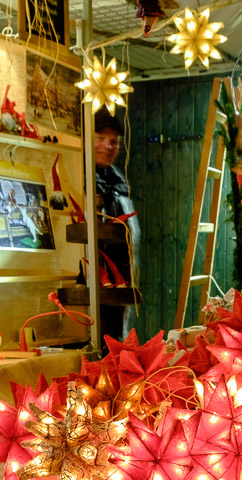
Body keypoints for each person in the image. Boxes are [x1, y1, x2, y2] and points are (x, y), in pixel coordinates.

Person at [91, 109, 140, 343]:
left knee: (116, 341)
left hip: (120, 277)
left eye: (114, 142)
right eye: (100, 138)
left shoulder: (118, 178)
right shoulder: (81, 174)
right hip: (93, 278)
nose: (107, 146)